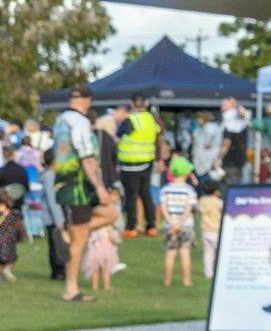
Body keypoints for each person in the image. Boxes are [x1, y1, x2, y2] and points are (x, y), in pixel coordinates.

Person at [52, 85, 104, 302]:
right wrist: (100, 186)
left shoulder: (61, 119)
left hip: (67, 182)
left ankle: (66, 233)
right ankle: (71, 289)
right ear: (88, 100)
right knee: (80, 239)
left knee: (108, 214)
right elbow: (87, 157)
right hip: (77, 187)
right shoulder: (80, 121)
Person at [116, 94, 160, 235]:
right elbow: (158, 135)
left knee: (131, 195)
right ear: (146, 103)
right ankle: (151, 226)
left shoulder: (131, 120)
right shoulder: (151, 119)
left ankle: (131, 227)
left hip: (131, 163)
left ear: (132, 103)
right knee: (146, 193)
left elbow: (118, 136)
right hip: (147, 161)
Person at [157, 157, 199, 286]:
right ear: (186, 173)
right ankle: (187, 280)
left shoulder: (165, 189)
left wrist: (171, 222)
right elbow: (188, 210)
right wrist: (180, 223)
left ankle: (167, 280)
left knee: (170, 253)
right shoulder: (189, 190)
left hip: (170, 224)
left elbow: (163, 208)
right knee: (185, 253)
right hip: (185, 225)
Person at [0, 183, 25, 287]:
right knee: (11, 258)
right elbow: (20, 218)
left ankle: (0, 275)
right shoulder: (13, 213)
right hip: (9, 239)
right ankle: (7, 270)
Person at [83, 192, 122, 291]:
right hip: (105, 250)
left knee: (95, 269)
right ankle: (107, 286)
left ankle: (94, 286)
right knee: (105, 269)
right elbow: (113, 238)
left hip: (94, 249)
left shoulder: (94, 226)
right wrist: (114, 241)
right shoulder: (107, 226)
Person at [219, 96, 252, 184]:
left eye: (223, 105)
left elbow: (227, 143)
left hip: (231, 161)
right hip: (239, 159)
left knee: (230, 184)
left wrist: (219, 158)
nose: (221, 107)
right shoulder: (240, 121)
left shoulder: (231, 123)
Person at [197, 178, 224, 280]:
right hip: (217, 231)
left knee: (208, 252)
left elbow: (199, 212)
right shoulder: (219, 202)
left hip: (205, 231)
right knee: (218, 253)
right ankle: (218, 270)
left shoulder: (202, 201)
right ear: (216, 191)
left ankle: (208, 272)